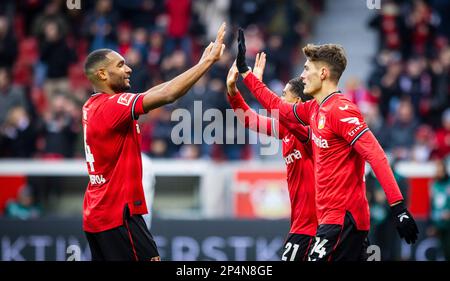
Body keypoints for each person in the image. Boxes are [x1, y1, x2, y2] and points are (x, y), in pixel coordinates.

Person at [235, 28, 418, 261]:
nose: (302, 76)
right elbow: (278, 107)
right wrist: (245, 73)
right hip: (334, 220)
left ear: (322, 73)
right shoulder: (314, 109)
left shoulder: (341, 110)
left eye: (306, 69)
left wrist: (399, 208)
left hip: (343, 219)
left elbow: (376, 155)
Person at [81, 23, 226, 261]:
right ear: (102, 74)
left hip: (98, 213)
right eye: (120, 65)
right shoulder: (112, 107)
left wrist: (197, 65)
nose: (128, 69)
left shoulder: (92, 105)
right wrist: (207, 63)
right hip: (120, 214)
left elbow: (160, 89)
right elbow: (169, 94)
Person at [226, 56, 316, 261]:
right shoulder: (287, 130)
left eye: (284, 96)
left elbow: (277, 111)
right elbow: (250, 120)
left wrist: (255, 84)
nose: (280, 100)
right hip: (302, 225)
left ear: (298, 102)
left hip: (316, 227)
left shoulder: (310, 132)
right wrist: (232, 91)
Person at [430, 159, 450, 260]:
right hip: (438, 224)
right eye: (437, 169)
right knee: (442, 251)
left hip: (448, 224)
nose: (438, 172)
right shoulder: (434, 184)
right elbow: (431, 205)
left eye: (440, 169)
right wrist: (432, 224)